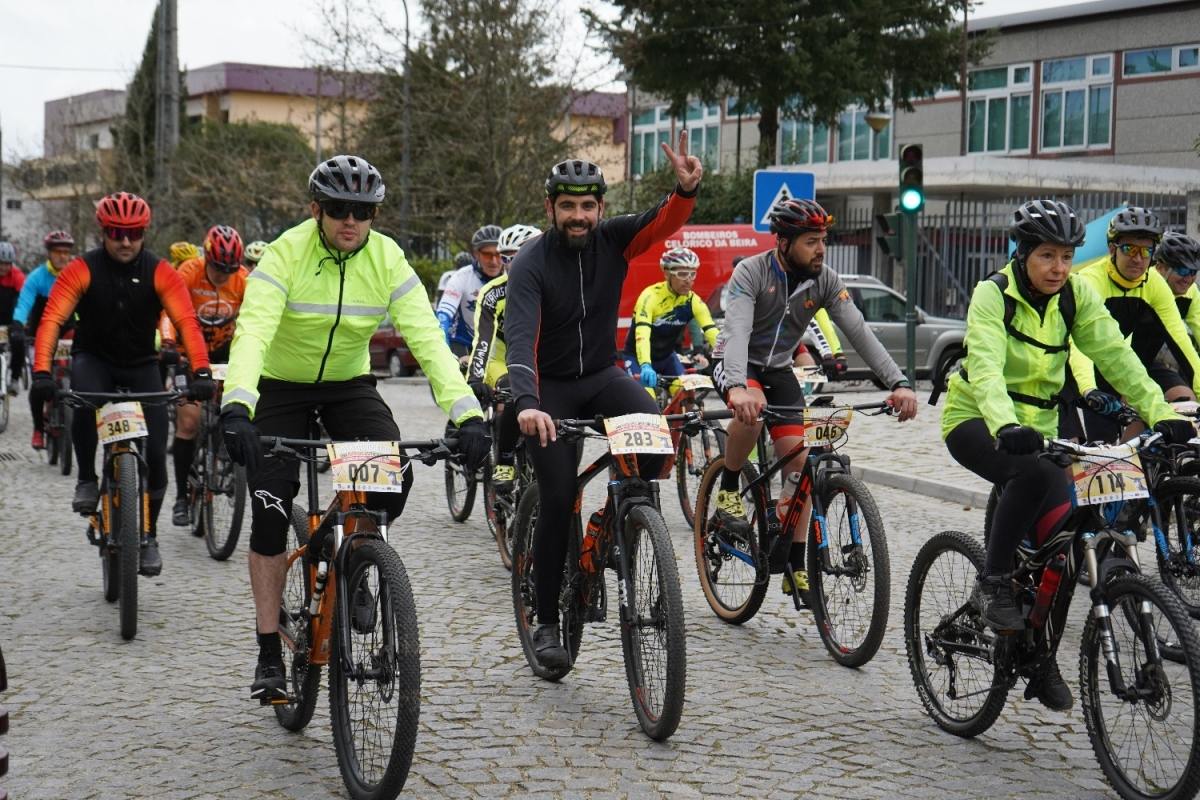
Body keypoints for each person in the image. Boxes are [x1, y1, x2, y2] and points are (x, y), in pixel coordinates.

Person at [218, 154, 491, 702]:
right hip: (279, 385)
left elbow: (427, 340)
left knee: (392, 478)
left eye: (363, 211)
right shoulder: (285, 253)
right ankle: (269, 648)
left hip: (348, 384)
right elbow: (253, 332)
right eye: (339, 208)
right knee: (270, 509)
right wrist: (238, 405)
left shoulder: (388, 257)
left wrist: (468, 413)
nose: (351, 220)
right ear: (315, 210)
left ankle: (359, 559)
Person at [941, 199, 1191, 711]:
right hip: (977, 418)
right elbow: (985, 367)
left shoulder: (1075, 296)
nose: (1059, 268)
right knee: (1031, 475)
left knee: (1066, 541)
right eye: (1047, 256)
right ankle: (992, 583)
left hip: (1041, 430)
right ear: (1023, 253)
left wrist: (1160, 411)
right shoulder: (994, 294)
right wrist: (1005, 424)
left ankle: (1039, 657)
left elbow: (1117, 357)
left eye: (1067, 257)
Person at [505, 137, 701, 670]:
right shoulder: (530, 263)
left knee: (653, 436)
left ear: (600, 208)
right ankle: (547, 619)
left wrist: (685, 191)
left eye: (587, 205)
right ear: (550, 208)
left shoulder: (613, 240)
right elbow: (520, 340)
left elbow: (660, 222)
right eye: (568, 205)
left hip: (600, 375)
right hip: (547, 388)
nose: (579, 215)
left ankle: (625, 517)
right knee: (558, 494)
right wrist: (526, 403)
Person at [711, 198, 917, 601]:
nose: (821, 249)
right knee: (752, 413)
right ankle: (729, 489)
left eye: (823, 240)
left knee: (800, 466)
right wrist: (737, 387)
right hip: (736, 362)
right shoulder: (751, 272)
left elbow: (859, 332)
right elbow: (737, 332)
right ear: (783, 243)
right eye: (811, 241)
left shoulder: (825, 279)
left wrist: (899, 381)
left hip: (778, 368)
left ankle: (795, 563)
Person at [29, 192, 214, 577]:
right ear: (103, 232)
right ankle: (86, 477)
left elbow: (186, 322)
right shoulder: (81, 268)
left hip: (141, 365)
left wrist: (200, 371)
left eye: (134, 233)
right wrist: (42, 373)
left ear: (144, 232)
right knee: (83, 401)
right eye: (116, 233)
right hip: (94, 359)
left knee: (158, 458)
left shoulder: (160, 271)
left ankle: (149, 536)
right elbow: (51, 321)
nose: (125, 241)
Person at [1067, 207, 1200, 439]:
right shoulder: (1089, 281)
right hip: (1078, 366)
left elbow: (1182, 343)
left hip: (1122, 363)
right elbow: (1079, 346)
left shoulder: (1155, 284)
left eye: (1146, 251)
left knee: (1179, 404)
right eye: (1129, 249)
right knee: (1093, 447)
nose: (1138, 259)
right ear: (1112, 249)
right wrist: (1088, 388)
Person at [161, 225, 249, 526]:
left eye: (229, 270)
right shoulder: (189, 272)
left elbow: (258, 317)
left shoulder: (243, 279)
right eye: (218, 268)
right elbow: (168, 310)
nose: (223, 275)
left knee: (237, 409)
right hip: (188, 352)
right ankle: (181, 497)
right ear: (207, 259)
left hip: (223, 351)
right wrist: (168, 343)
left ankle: (225, 458)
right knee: (189, 422)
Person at [466, 223, 541, 490]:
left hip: (541, 360)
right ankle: (505, 461)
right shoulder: (493, 292)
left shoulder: (554, 285)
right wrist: (475, 378)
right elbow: (483, 340)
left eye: (517, 256)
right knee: (512, 389)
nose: (509, 264)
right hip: (501, 362)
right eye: (505, 258)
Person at [622, 246, 719, 394]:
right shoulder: (650, 296)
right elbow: (642, 335)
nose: (688, 280)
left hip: (667, 357)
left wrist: (729, 359)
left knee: (687, 394)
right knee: (647, 399)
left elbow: (712, 332)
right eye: (682, 274)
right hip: (637, 358)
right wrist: (645, 365)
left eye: (692, 274)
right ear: (667, 274)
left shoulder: (693, 301)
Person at [12, 230, 75, 448]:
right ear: (49, 253)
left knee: (80, 372)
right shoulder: (37, 278)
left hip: (67, 332)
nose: (62, 256)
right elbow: (24, 304)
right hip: (40, 334)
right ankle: (38, 428)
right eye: (58, 252)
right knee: (39, 385)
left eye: (66, 252)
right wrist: (18, 324)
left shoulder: (75, 275)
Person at [436, 225, 504, 358]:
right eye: (487, 255)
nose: (494, 261)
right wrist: (443, 347)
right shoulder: (461, 277)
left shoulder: (512, 277)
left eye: (498, 254)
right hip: (463, 342)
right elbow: (443, 315)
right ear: (476, 254)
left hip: (495, 346)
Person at [1152, 231, 1200, 371]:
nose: (1188, 279)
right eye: (1183, 270)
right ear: (1161, 267)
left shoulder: (1191, 292)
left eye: (1193, 272)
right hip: (1124, 362)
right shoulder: (1144, 285)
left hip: (1153, 362)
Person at [0, 242, 27, 396]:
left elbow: (21, 302)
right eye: (1, 263)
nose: (4, 267)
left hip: (12, 319)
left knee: (18, 341)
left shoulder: (18, 277)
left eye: (7, 264)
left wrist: (18, 323)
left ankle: (15, 378)